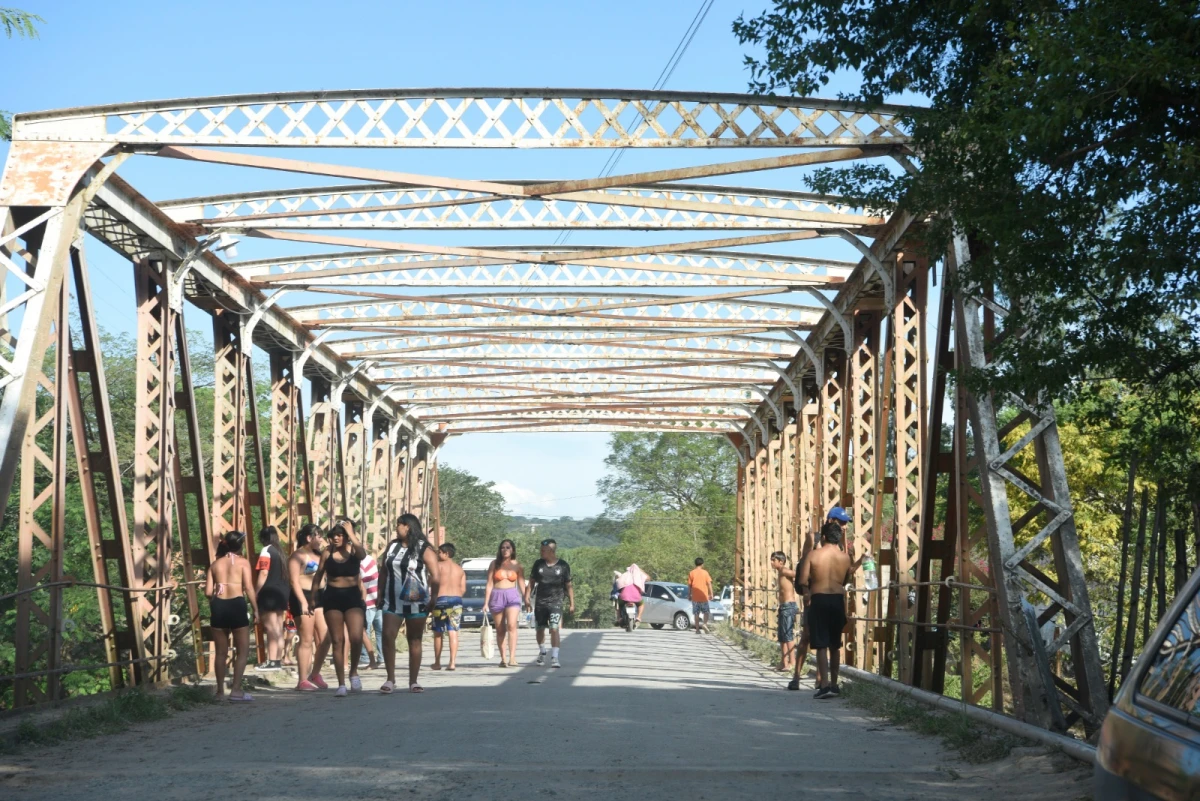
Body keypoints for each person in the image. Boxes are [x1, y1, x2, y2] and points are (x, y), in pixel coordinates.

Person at [378, 513, 439, 693]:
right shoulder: (392, 547)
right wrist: (379, 593)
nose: (396, 528)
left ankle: (413, 680)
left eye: (399, 524)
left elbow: (435, 575)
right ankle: (390, 679)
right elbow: (383, 571)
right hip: (392, 599)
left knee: (414, 639)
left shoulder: (423, 548)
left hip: (417, 601)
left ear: (408, 527)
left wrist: (434, 597)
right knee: (388, 635)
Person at [800, 521, 858, 699]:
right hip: (837, 601)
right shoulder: (845, 558)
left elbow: (803, 581)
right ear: (839, 538)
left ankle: (823, 686)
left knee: (821, 645)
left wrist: (807, 593)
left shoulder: (813, 555)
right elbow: (847, 579)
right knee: (835, 645)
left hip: (819, 599)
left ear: (823, 537)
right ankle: (834, 684)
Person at [309, 523, 368, 696]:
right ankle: (341, 683)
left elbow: (362, 554)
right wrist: (312, 598)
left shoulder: (353, 551)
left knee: (356, 637)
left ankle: (354, 672)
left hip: (352, 597)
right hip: (332, 597)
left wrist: (350, 532)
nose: (336, 538)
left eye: (340, 535)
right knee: (337, 640)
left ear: (347, 536)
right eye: (333, 535)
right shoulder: (327, 552)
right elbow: (318, 574)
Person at [205, 530, 258, 702]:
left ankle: (220, 692)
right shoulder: (243, 563)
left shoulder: (215, 564)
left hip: (219, 605)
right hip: (236, 605)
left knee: (221, 652)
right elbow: (249, 587)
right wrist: (256, 609)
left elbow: (207, 592)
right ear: (240, 545)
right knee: (242, 651)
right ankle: (236, 690)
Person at [288, 523, 331, 691]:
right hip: (303, 596)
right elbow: (294, 581)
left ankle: (316, 673)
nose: (321, 540)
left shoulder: (320, 555)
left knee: (325, 638)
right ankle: (302, 679)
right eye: (318, 536)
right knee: (306, 639)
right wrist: (303, 602)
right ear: (309, 537)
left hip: (319, 597)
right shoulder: (297, 556)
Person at [525, 538, 574, 667]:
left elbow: (569, 585)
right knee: (540, 629)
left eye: (543, 550)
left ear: (551, 551)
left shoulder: (563, 565)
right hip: (540, 602)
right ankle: (542, 652)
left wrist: (571, 603)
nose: (541, 552)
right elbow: (531, 582)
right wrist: (527, 598)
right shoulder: (538, 564)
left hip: (556, 601)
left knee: (554, 628)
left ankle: (555, 657)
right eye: (540, 550)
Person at [344, 519, 381, 671]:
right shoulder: (345, 557)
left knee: (358, 631)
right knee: (361, 631)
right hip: (363, 600)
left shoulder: (364, 561)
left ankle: (351, 663)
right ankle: (364, 660)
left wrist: (362, 602)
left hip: (365, 601)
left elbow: (363, 583)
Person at [484, 538, 526, 667]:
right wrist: (485, 603)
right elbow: (489, 584)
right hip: (497, 595)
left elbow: (521, 584)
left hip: (512, 596)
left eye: (508, 547)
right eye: (503, 547)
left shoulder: (517, 565)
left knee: (512, 625)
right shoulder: (494, 564)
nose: (505, 550)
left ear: (512, 550)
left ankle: (512, 657)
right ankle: (503, 658)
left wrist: (527, 598)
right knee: (500, 629)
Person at [253, 525, 289, 672]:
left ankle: (272, 661)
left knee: (270, 627)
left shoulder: (266, 551)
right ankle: (277, 660)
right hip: (282, 592)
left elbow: (263, 573)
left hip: (269, 593)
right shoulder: (281, 553)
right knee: (278, 627)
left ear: (263, 538)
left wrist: (255, 592)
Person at [431, 542, 466, 671]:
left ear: (446, 553)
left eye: (439, 552)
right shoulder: (460, 569)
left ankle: (437, 662)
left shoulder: (438, 567)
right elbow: (463, 589)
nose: (438, 554)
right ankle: (452, 663)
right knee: (453, 632)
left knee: (438, 632)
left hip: (440, 600)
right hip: (456, 601)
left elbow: (432, 582)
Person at [770, 551, 798, 672]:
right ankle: (784, 662)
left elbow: (797, 574)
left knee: (788, 634)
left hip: (788, 605)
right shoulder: (779, 572)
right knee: (782, 636)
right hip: (783, 606)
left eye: (773, 560)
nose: (771, 562)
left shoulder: (784, 570)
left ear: (780, 561)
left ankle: (792, 662)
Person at [687, 557, 714, 634]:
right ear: (702, 564)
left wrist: (689, 595)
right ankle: (705, 624)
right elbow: (709, 584)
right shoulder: (705, 573)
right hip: (704, 596)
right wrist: (711, 594)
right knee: (706, 612)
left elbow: (689, 585)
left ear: (695, 564)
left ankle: (697, 630)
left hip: (695, 597)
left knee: (696, 613)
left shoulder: (691, 573)